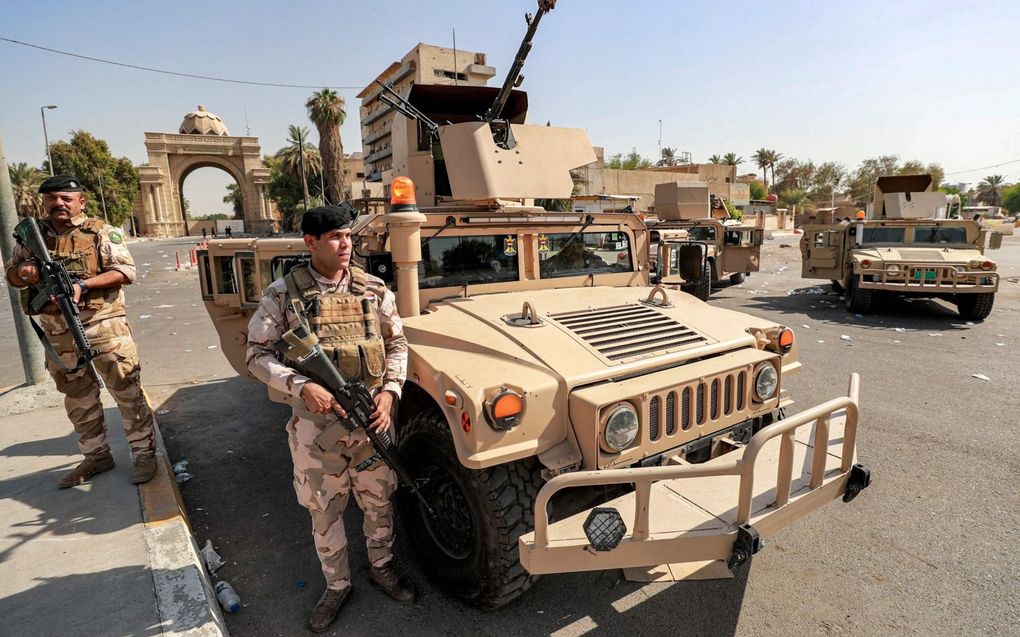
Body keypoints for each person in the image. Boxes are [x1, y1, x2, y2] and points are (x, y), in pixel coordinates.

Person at [246, 204, 414, 632]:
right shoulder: (283, 295)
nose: (346, 244)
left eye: (349, 236)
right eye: (336, 237)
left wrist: (390, 393)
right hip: (316, 433)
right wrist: (301, 385)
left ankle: (382, 567)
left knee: (378, 502)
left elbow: (397, 345)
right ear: (311, 243)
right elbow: (256, 355)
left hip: (371, 425)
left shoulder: (374, 289)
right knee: (324, 509)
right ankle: (337, 585)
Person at [4, 175, 157, 487]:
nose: (58, 203)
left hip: (103, 326)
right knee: (78, 398)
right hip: (58, 335)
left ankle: (144, 454)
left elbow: (125, 271)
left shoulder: (101, 231)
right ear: (44, 202)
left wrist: (83, 285)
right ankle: (96, 455)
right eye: (51, 198)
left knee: (127, 393)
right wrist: (23, 271)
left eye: (65, 198)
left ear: (80, 202)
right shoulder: (30, 238)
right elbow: (12, 275)